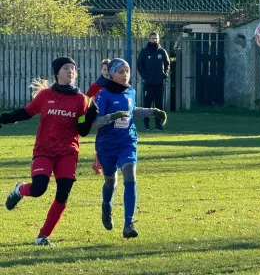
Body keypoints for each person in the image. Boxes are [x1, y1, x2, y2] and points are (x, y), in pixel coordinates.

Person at [0, 57, 98, 245]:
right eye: (66, 68)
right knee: (38, 189)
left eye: (73, 69)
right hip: (44, 149)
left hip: (68, 151)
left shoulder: (80, 100)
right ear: (57, 73)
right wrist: (3, 118)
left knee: (64, 192)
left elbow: (83, 131)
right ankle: (20, 189)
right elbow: (26, 112)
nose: (70, 71)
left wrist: (91, 113)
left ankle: (42, 236)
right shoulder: (45, 95)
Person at [94, 58, 167, 238]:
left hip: (128, 140)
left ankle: (129, 223)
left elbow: (132, 111)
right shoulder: (103, 95)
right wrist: (113, 116)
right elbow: (96, 122)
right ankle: (106, 205)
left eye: (127, 71)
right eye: (120, 72)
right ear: (112, 74)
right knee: (110, 182)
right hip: (107, 145)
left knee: (130, 176)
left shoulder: (131, 92)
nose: (125, 75)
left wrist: (153, 111)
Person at [136, 32, 170, 131]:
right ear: (149, 39)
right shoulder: (144, 51)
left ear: (159, 39)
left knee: (159, 104)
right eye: (152, 38)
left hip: (159, 83)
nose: (154, 40)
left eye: (156, 38)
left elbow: (167, 63)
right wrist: (144, 76)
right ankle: (146, 125)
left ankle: (158, 125)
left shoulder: (162, 51)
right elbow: (139, 65)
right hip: (148, 83)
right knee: (147, 105)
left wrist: (165, 74)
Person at [87, 58, 111, 175]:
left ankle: (98, 163)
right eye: (104, 69)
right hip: (100, 115)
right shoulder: (96, 85)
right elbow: (87, 97)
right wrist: (87, 110)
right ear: (101, 70)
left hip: (111, 114)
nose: (107, 72)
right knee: (104, 138)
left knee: (109, 139)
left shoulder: (114, 84)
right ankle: (98, 163)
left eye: (109, 69)